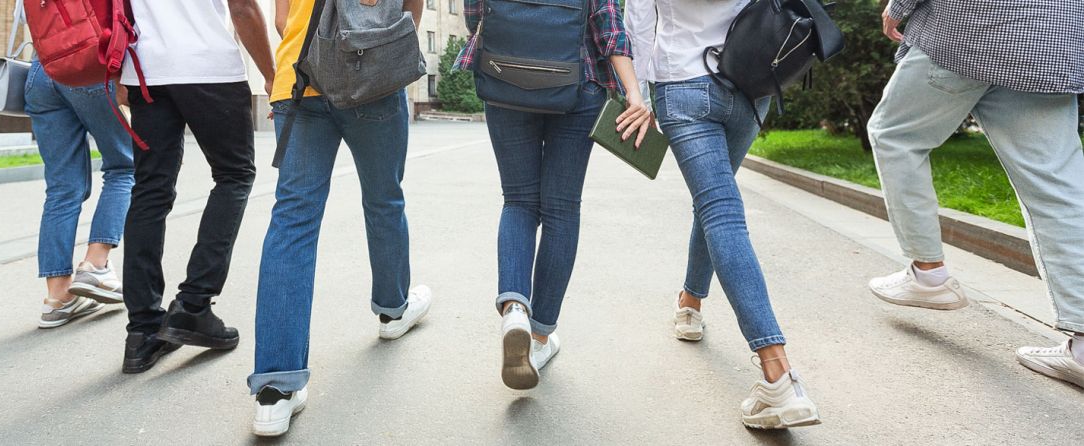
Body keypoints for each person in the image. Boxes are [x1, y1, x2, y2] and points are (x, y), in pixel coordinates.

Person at [867, 1, 1084, 387]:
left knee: (896, 136)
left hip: (971, 28)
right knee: (1056, 187)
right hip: (1050, 40)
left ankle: (928, 275)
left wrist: (899, 5)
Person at [628, 0, 822, 429]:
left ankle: (778, 377)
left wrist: (638, 92)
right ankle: (690, 303)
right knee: (717, 203)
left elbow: (639, 18)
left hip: (683, 83)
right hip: (750, 78)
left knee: (720, 211)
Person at [247, 0, 431, 436]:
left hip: (300, 76)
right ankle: (392, 310)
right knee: (384, 200)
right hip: (373, 76)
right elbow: (412, 8)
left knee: (292, 221)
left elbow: (280, 18)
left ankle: (276, 388)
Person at [456, 0, 652, 390]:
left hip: (504, 77)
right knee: (562, 210)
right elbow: (608, 25)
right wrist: (634, 92)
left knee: (518, 201)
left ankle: (514, 308)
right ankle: (540, 335)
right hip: (577, 84)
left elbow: (475, 14)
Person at [119, 0, 275, 374]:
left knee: (149, 191)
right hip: (209, 69)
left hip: (144, 71)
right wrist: (271, 74)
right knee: (234, 175)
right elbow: (243, 7)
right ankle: (192, 306)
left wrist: (116, 73)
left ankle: (142, 333)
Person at [25, 62, 132, 329]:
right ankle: (96, 265)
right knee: (124, 166)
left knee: (62, 188)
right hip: (90, 68)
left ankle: (58, 297)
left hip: (40, 72)